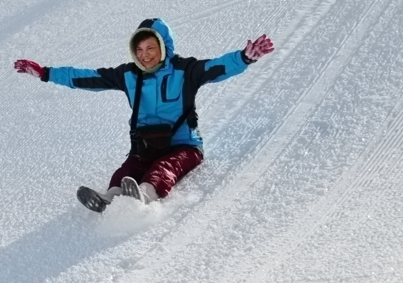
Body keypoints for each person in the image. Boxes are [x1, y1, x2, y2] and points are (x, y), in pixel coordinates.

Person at [14, 18, 274, 210]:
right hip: (146, 145)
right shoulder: (129, 75)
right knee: (129, 167)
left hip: (185, 146)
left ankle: (145, 195)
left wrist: (244, 58)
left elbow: (218, 66)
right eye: (139, 50)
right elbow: (86, 77)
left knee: (164, 168)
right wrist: (46, 73)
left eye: (150, 48)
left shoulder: (185, 71)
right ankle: (109, 198)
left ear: (163, 47)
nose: (145, 55)